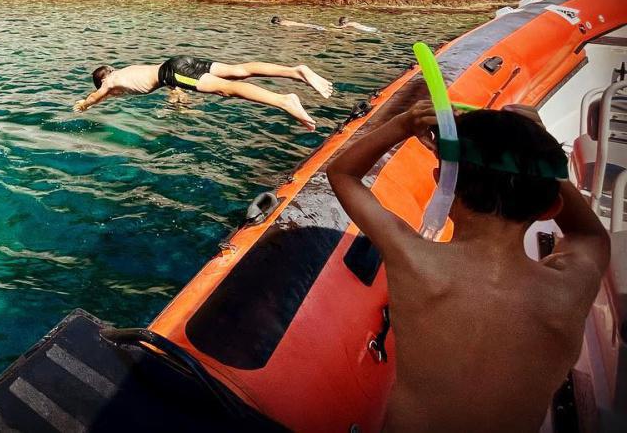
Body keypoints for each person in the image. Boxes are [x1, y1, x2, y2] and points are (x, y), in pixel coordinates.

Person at [326, 103, 609, 432]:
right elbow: (589, 234)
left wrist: (403, 124)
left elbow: (342, 174)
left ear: (443, 183)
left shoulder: (414, 259)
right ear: (552, 206)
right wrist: (539, 150)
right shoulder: (567, 291)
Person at [74, 57, 333, 130]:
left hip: (171, 73)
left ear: (103, 78)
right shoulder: (127, 70)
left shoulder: (110, 82)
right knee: (239, 71)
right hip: (177, 62)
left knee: (227, 89)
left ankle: (284, 101)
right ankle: (297, 71)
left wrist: (85, 105)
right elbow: (159, 78)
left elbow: (99, 95)